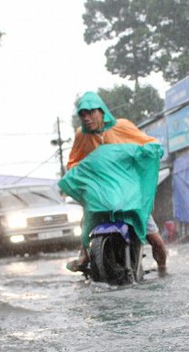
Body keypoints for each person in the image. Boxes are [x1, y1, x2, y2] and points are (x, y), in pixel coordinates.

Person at [65, 91, 168, 276]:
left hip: (127, 193)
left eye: (90, 112)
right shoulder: (82, 135)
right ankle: (85, 254)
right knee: (86, 223)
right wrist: (81, 173)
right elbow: (72, 162)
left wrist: (152, 149)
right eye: (82, 114)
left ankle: (163, 269)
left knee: (156, 240)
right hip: (100, 195)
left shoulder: (123, 126)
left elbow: (148, 142)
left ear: (102, 111)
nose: (86, 118)